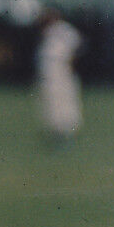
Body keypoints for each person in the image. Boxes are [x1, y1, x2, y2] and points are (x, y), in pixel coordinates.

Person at [35, 10, 83, 147]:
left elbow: (76, 45)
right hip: (49, 71)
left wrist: (71, 63)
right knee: (51, 101)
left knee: (65, 99)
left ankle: (67, 131)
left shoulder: (63, 29)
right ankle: (56, 131)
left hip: (61, 69)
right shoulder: (47, 32)